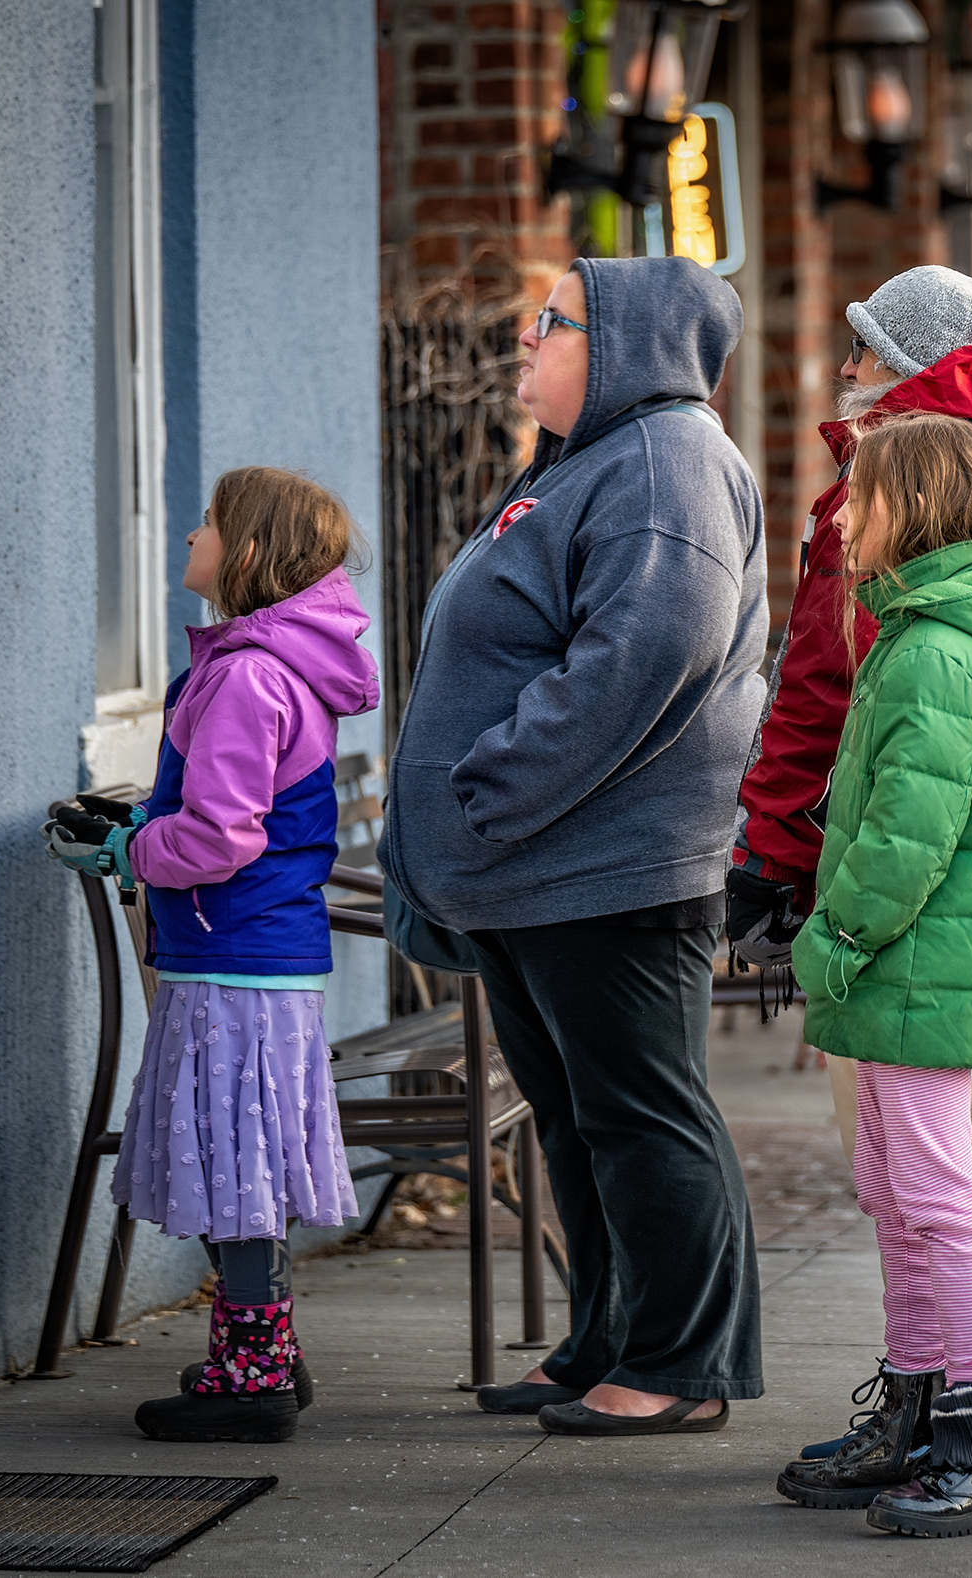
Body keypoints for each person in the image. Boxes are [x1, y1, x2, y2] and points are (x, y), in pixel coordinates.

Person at [380, 256, 767, 1435]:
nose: (524, 342)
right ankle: (602, 1335)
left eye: (547, 322)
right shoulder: (591, 460)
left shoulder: (667, 463)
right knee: (579, 1117)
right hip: (537, 871)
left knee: (644, 1115)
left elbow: (644, 656)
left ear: (627, 343)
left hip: (608, 867)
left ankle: (678, 1365)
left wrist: (488, 784)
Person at [729, 264, 972, 1467]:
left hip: (901, 899)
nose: (843, 372)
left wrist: (792, 876)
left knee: (933, 1179)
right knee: (953, 1168)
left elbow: (828, 706)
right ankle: (953, 1393)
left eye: (867, 354)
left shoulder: (906, 521)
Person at [45, 466, 380, 1444]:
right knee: (250, 1156)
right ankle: (263, 1350)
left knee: (237, 1161)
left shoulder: (243, 675)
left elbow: (223, 836)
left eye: (204, 523)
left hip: (234, 953)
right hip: (262, 954)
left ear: (243, 553)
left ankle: (254, 1375)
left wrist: (127, 850)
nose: (186, 536)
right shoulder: (270, 666)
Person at [782, 413, 972, 1537]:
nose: (845, 513)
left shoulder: (937, 653)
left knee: (940, 1204)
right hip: (909, 976)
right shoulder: (911, 634)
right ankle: (916, 1403)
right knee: (897, 1195)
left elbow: (907, 842)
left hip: (918, 973)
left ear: (916, 510)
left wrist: (832, 942)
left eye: (864, 495)